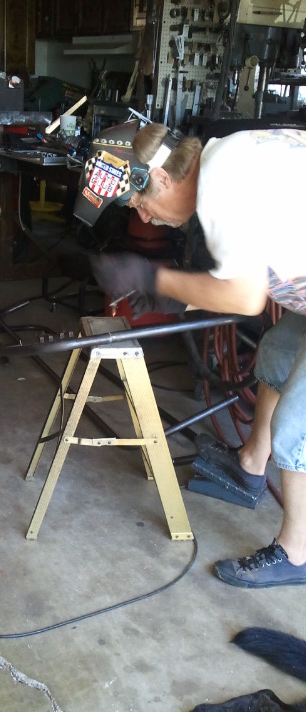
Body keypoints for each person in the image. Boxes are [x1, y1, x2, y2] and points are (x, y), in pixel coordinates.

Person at [89, 121, 306, 589]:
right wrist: (175, 299)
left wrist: (154, 279)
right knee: (277, 355)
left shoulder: (220, 183)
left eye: (139, 203)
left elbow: (246, 298)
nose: (144, 218)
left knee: (296, 429)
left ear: (161, 177)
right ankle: (250, 467)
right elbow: (249, 274)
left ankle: (297, 553)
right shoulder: (224, 157)